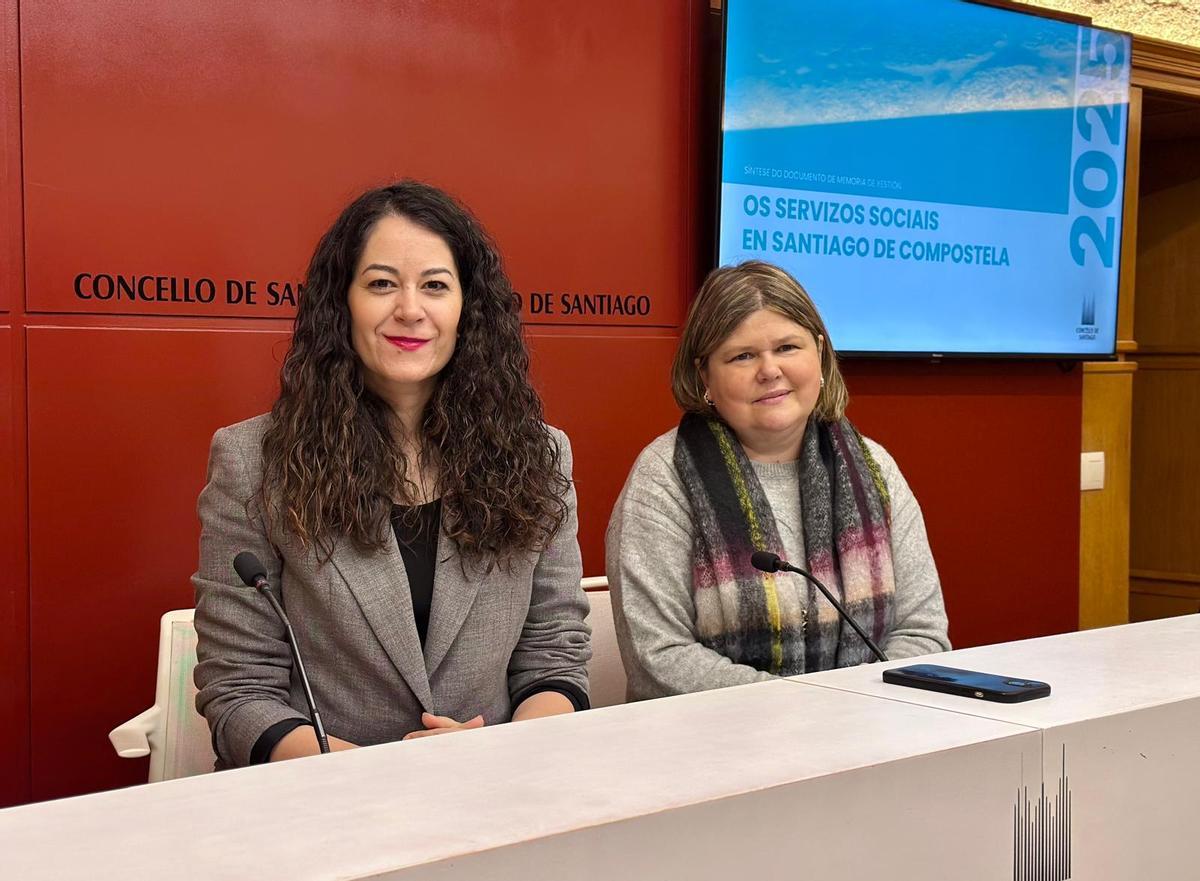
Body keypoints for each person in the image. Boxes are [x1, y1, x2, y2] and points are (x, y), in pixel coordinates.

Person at [193, 181, 590, 768]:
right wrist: (364, 776)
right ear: (342, 303)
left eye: (435, 285)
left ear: (467, 308)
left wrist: (500, 752)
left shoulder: (539, 456)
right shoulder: (253, 461)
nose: (410, 309)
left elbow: (555, 656)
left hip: (495, 791)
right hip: (322, 801)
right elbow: (239, 687)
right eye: (381, 284)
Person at [606, 260, 949, 701]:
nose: (769, 370)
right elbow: (660, 659)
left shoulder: (876, 468)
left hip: (870, 737)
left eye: (787, 347)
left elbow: (923, 633)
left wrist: (854, 716)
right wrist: (813, 708)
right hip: (711, 750)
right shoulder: (662, 480)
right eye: (742, 356)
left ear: (821, 355)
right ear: (704, 375)